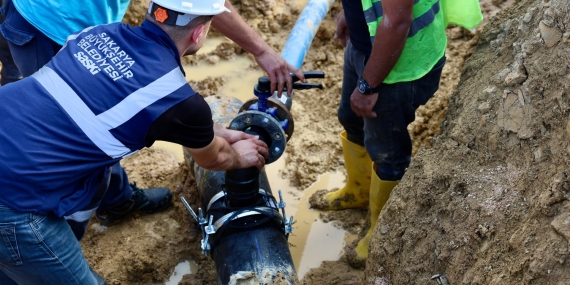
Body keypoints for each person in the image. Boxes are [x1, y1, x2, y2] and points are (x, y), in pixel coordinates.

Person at [0, 0, 295, 283]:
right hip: (13, 203)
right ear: (198, 33)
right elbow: (213, 159)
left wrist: (212, 130)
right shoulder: (178, 99)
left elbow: (121, 100)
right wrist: (241, 156)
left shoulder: (94, 33)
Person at [309, 0, 481, 267]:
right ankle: (358, 191)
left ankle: (382, 231)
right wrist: (352, 13)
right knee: (351, 118)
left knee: (387, 149)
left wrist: (367, 86)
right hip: (367, 44)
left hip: (397, 64)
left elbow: (397, 21)